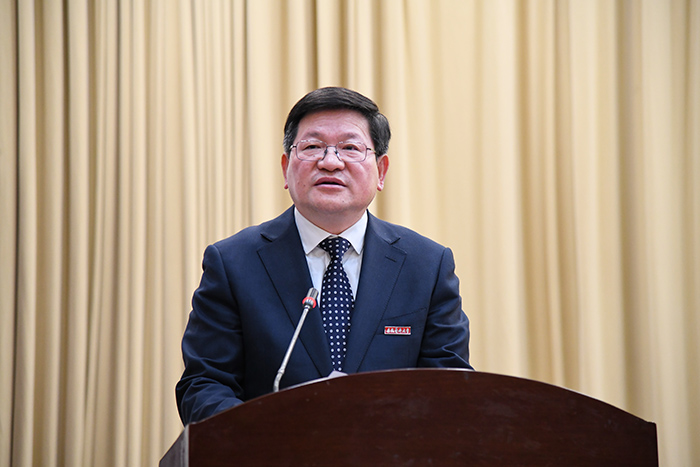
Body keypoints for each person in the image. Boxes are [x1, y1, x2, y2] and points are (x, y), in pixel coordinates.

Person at [176, 87, 472, 425]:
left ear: (381, 171)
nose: (330, 162)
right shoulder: (233, 263)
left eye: (350, 148)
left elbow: (450, 392)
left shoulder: (426, 266)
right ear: (286, 168)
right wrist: (271, 439)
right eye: (312, 147)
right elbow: (204, 386)